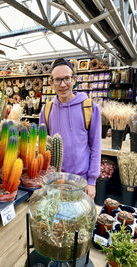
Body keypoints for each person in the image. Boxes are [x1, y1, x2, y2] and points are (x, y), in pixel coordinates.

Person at [39, 58, 101, 199]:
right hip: (54, 182)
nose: (63, 85)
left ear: (74, 79)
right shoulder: (47, 110)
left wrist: (92, 181)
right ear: (51, 82)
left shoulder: (89, 107)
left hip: (81, 182)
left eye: (66, 79)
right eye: (58, 80)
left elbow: (96, 146)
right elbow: (43, 147)